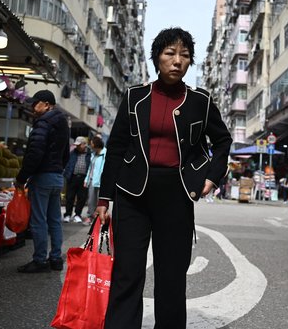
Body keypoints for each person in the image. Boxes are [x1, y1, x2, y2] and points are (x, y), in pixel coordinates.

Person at [95, 27, 232, 329]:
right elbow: (116, 148)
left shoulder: (200, 101)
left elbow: (223, 141)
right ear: (157, 57)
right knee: (127, 271)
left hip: (177, 196)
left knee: (171, 275)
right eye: (170, 53)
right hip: (132, 193)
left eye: (184, 55)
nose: (177, 61)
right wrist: (104, 198)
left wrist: (212, 176)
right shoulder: (134, 97)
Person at [15, 89, 69, 273]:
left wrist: (22, 177)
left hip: (43, 177)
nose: (32, 106)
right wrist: (58, 169)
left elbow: (35, 153)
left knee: (39, 220)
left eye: (35, 103)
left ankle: (39, 260)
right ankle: (55, 259)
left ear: (47, 105)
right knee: (54, 220)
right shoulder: (62, 124)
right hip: (56, 177)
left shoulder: (43, 123)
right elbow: (66, 155)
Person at [62, 136, 91, 223]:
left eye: (79, 145)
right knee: (69, 197)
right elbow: (67, 164)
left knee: (82, 198)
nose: (77, 147)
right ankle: (67, 214)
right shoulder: (72, 153)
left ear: (84, 144)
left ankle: (77, 214)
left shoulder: (90, 154)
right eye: (76, 145)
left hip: (84, 178)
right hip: (72, 177)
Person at [82, 136, 106, 225]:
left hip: (101, 181)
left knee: (100, 201)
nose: (90, 145)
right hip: (92, 180)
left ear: (96, 144)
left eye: (91, 143)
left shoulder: (105, 153)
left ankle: (99, 218)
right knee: (91, 200)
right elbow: (90, 168)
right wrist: (86, 179)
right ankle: (90, 216)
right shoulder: (93, 154)